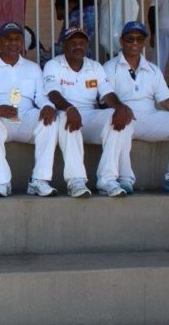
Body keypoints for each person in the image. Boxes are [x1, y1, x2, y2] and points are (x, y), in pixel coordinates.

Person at [103, 21, 169, 193]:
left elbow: (167, 100)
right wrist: (121, 109)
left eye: (139, 39)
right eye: (130, 39)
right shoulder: (110, 67)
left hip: (150, 116)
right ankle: (124, 179)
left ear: (143, 43)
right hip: (125, 116)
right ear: (121, 41)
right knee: (121, 119)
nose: (134, 43)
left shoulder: (153, 70)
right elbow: (105, 97)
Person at [42, 27, 135, 197]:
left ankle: (107, 179)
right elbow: (52, 92)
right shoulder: (53, 64)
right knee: (65, 119)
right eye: (73, 42)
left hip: (90, 116)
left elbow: (107, 93)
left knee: (120, 117)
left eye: (82, 43)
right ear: (63, 45)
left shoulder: (95, 66)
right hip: (65, 112)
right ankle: (75, 181)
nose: (79, 46)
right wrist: (70, 108)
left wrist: (120, 107)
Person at [0, 22, 60, 197]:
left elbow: (41, 96)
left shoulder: (33, 68)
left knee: (51, 120)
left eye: (17, 39)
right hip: (1, 120)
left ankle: (39, 180)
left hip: (26, 116)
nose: (13, 43)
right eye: (8, 39)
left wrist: (48, 106)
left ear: (22, 43)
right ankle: (1, 182)